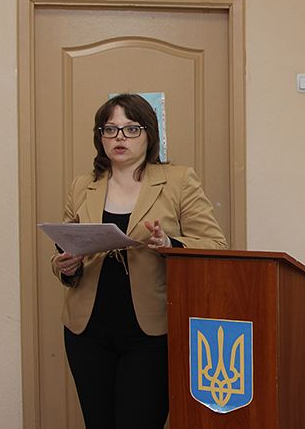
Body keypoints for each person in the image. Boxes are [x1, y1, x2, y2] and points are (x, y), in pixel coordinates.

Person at [51, 93, 227, 429]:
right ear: (100, 137)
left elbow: (215, 245)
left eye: (131, 129)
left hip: (152, 332)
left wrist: (170, 244)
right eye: (110, 129)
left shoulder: (178, 181)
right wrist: (65, 266)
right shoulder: (83, 186)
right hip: (86, 331)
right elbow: (65, 246)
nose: (119, 137)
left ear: (149, 134)